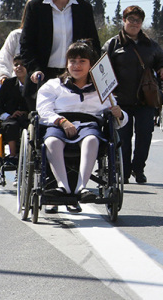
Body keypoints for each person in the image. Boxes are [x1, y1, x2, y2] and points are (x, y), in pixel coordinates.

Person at [36, 41, 127, 213]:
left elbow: (121, 119)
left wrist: (119, 113)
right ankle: (63, 187)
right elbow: (43, 110)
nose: (76, 65)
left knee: (92, 139)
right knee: (52, 141)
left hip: (89, 125)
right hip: (59, 124)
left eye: (82, 61)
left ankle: (81, 187)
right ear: (67, 64)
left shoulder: (102, 89)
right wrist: (61, 121)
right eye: (73, 61)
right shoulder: (54, 85)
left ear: (91, 64)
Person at [103, 5, 163, 184]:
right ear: (124, 21)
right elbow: (102, 68)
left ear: (142, 23)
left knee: (144, 136)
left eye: (138, 20)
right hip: (120, 99)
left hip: (145, 99)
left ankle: (138, 168)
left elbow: (162, 59)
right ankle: (123, 170)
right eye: (130, 19)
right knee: (123, 137)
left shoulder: (150, 44)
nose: (134, 23)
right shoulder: (113, 44)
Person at [20, 0, 100, 87]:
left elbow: (94, 44)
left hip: (75, 77)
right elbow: (26, 44)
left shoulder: (84, 8)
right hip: (42, 77)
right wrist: (34, 69)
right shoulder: (36, 6)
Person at [0, 55, 31, 167]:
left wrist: (27, 113)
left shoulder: (34, 84)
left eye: (22, 64)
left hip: (28, 118)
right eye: (16, 64)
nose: (19, 67)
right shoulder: (8, 84)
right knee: (11, 125)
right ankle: (13, 156)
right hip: (11, 118)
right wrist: (7, 115)